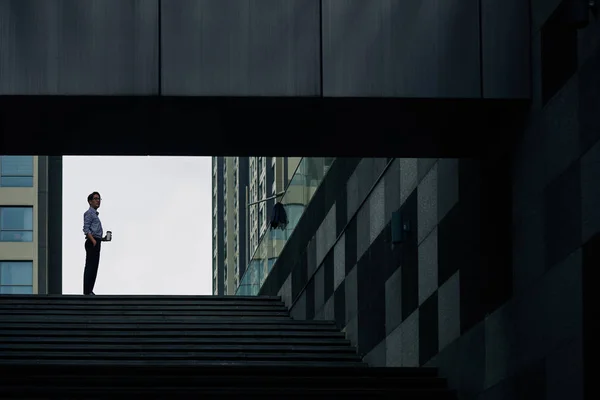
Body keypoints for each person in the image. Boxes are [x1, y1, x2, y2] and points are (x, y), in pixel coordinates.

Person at [82, 191, 107, 295]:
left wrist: (103, 239)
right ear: (90, 201)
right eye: (96, 199)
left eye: (99, 199)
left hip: (96, 241)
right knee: (90, 266)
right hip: (92, 242)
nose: (98, 201)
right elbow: (86, 229)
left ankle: (89, 290)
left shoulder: (95, 215)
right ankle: (87, 291)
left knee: (94, 267)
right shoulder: (89, 213)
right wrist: (93, 241)